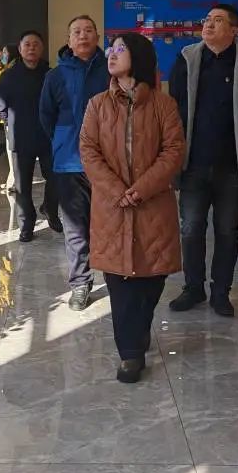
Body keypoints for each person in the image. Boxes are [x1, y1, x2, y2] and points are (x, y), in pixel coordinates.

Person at [80, 33, 185, 383]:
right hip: (112, 208)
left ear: (138, 57)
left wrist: (140, 190)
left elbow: (173, 151)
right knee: (120, 283)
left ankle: (139, 329)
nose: (111, 54)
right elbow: (88, 151)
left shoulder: (163, 104)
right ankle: (130, 352)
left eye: (120, 49)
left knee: (152, 279)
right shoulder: (97, 105)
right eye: (111, 49)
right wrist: (118, 191)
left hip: (153, 205)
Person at [168, 4, 238, 316]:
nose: (209, 25)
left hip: (232, 166)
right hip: (193, 164)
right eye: (207, 20)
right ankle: (193, 287)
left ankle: (221, 292)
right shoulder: (186, 59)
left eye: (218, 20)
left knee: (227, 230)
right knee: (191, 229)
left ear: (234, 30)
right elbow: (175, 105)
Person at [40, 15, 111, 311]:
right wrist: (64, 140)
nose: (83, 35)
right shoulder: (55, 76)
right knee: (75, 228)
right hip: (69, 162)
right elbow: (46, 116)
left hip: (108, 163)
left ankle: (114, 274)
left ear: (97, 37)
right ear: (68, 40)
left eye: (88, 30)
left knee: (109, 224)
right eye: (76, 32)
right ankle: (80, 283)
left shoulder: (110, 70)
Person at [0, 30, 61, 242]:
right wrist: (11, 124)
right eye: (27, 44)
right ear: (20, 49)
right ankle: (26, 224)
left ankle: (50, 208)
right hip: (21, 138)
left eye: (36, 44)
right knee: (22, 186)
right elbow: (1, 105)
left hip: (48, 137)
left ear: (42, 48)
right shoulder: (9, 76)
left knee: (56, 178)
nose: (31, 48)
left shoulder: (51, 75)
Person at [0, 44, 19, 192]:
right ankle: (11, 180)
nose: (2, 55)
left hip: (13, 116)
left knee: (12, 150)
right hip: (7, 116)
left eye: (5, 53)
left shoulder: (13, 71)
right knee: (10, 150)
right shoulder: (5, 69)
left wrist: (3, 113)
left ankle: (13, 182)